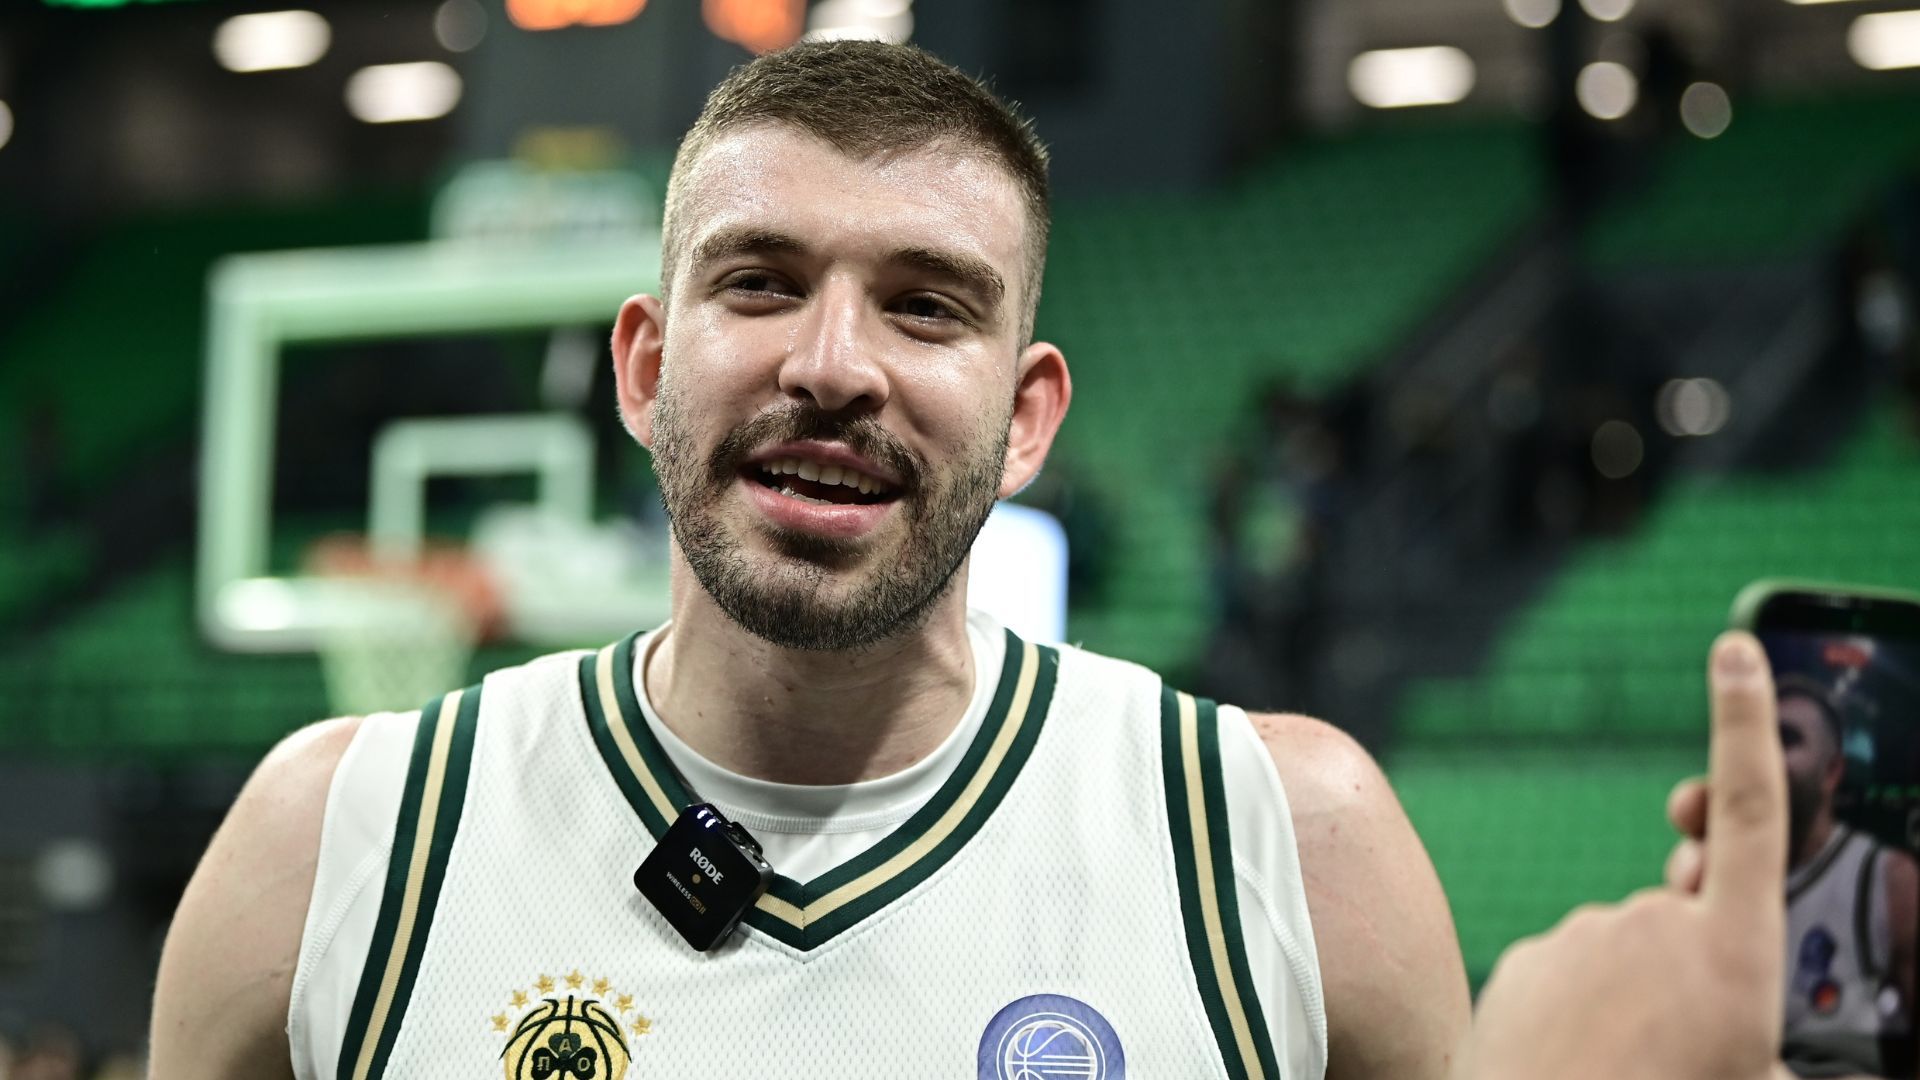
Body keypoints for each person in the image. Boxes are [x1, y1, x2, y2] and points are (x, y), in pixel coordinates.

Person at [149, 41, 1470, 1080]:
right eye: (762, 283)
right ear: (644, 369)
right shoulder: (339, 846)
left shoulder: (1282, 847)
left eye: (925, 306)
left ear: (1026, 420)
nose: (833, 366)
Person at [1775, 675, 1918, 1078]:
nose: (1767, 755)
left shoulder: (1886, 877)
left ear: (1832, 771)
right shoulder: (1718, 875)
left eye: (1787, 739)